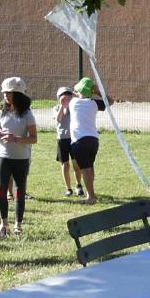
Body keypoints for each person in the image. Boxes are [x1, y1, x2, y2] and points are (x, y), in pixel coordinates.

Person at [0, 78, 37, 237]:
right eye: (4, 91)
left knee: (19, 191)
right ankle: (4, 225)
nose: (5, 94)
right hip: (3, 156)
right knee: (1, 190)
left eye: (8, 92)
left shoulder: (27, 114)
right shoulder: (1, 111)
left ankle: (18, 225)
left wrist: (17, 139)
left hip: (21, 158)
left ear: (17, 94)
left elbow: (34, 138)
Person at [69, 76, 107, 204]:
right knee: (90, 167)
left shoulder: (73, 102)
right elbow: (110, 101)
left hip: (79, 140)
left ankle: (91, 197)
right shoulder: (94, 103)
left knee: (85, 169)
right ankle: (91, 192)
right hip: (93, 140)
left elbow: (73, 93)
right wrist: (97, 92)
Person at [53, 87, 77, 195]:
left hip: (74, 138)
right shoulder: (56, 108)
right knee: (65, 164)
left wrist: (74, 99)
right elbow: (58, 119)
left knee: (76, 163)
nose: (66, 98)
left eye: (69, 96)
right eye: (64, 96)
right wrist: (62, 106)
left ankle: (79, 185)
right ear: (59, 98)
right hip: (62, 139)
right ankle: (68, 188)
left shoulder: (74, 107)